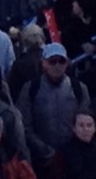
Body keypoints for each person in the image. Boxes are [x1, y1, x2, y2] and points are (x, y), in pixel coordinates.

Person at [17, 43, 89, 172]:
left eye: (61, 61)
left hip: (74, 158)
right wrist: (45, 150)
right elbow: (24, 125)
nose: (57, 66)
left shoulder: (79, 88)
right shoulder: (31, 88)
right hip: (42, 161)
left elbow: (86, 121)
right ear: (44, 63)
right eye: (52, 61)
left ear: (67, 63)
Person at [48, 110, 96, 179]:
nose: (85, 129)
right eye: (81, 125)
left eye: (89, 125)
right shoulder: (63, 152)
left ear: (94, 128)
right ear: (74, 128)